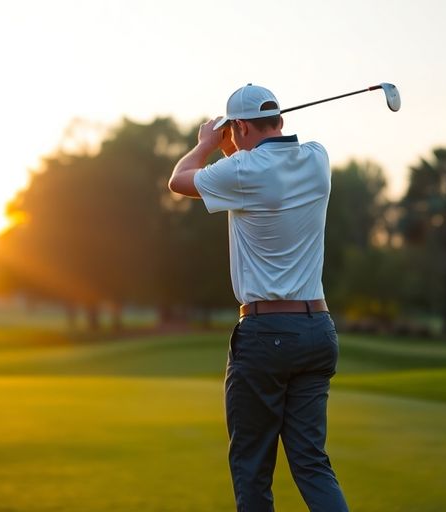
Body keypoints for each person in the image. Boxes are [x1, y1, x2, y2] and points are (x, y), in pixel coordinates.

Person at [168, 83, 350, 512]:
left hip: (266, 332)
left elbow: (179, 181)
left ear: (241, 128)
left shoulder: (243, 173)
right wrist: (237, 143)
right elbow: (257, 172)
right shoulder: (317, 159)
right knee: (311, 463)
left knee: (252, 468)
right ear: (281, 120)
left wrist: (206, 144)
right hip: (317, 329)